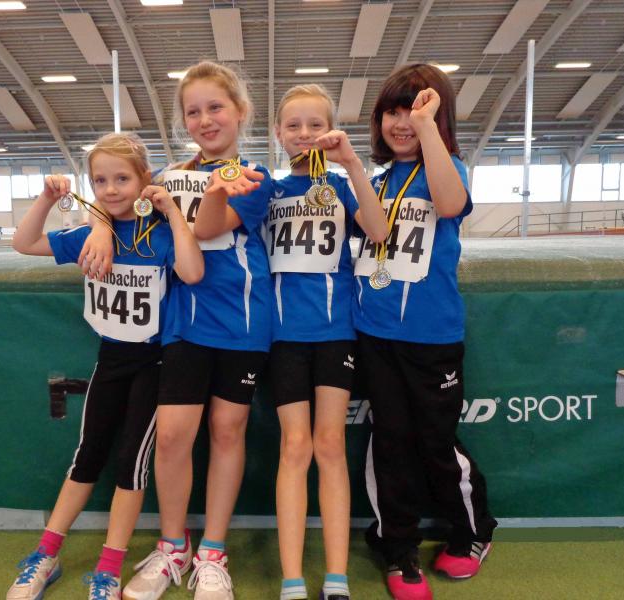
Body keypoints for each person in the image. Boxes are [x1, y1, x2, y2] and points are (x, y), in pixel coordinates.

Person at [81, 61, 273, 600]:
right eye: (194, 111)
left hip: (240, 323)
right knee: (170, 437)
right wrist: (99, 225)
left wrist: (218, 189)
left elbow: (208, 228)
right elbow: (116, 202)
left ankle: (213, 552)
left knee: (227, 431)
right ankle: (172, 547)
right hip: (182, 325)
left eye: (216, 107)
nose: (205, 120)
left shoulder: (255, 177)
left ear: (240, 112)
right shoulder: (164, 179)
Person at [7, 132, 203, 600]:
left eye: (122, 179)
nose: (111, 189)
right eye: (100, 181)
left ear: (144, 179)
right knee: (87, 455)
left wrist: (172, 214)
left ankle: (109, 569)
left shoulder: (160, 233)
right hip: (111, 360)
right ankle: (46, 554)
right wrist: (48, 199)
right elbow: (23, 242)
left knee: (131, 464)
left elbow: (193, 271)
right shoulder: (91, 234)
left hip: (155, 362)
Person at [353, 63, 497, 600]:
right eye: (392, 111)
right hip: (374, 335)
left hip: (432, 337)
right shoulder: (377, 182)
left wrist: (428, 127)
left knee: (436, 443)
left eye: (413, 110)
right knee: (389, 442)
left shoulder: (447, 166)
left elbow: (451, 204)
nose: (401, 122)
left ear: (437, 116)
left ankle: (473, 531)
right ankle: (397, 547)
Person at [267, 84, 387, 600]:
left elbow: (378, 231)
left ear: (331, 130)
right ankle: (292, 577)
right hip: (282, 338)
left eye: (315, 124)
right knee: (294, 446)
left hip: (336, 333)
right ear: (278, 133)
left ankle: (336, 578)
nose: (304, 134)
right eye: (294, 125)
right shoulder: (268, 190)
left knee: (330, 444)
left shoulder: (340, 185)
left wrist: (352, 164)